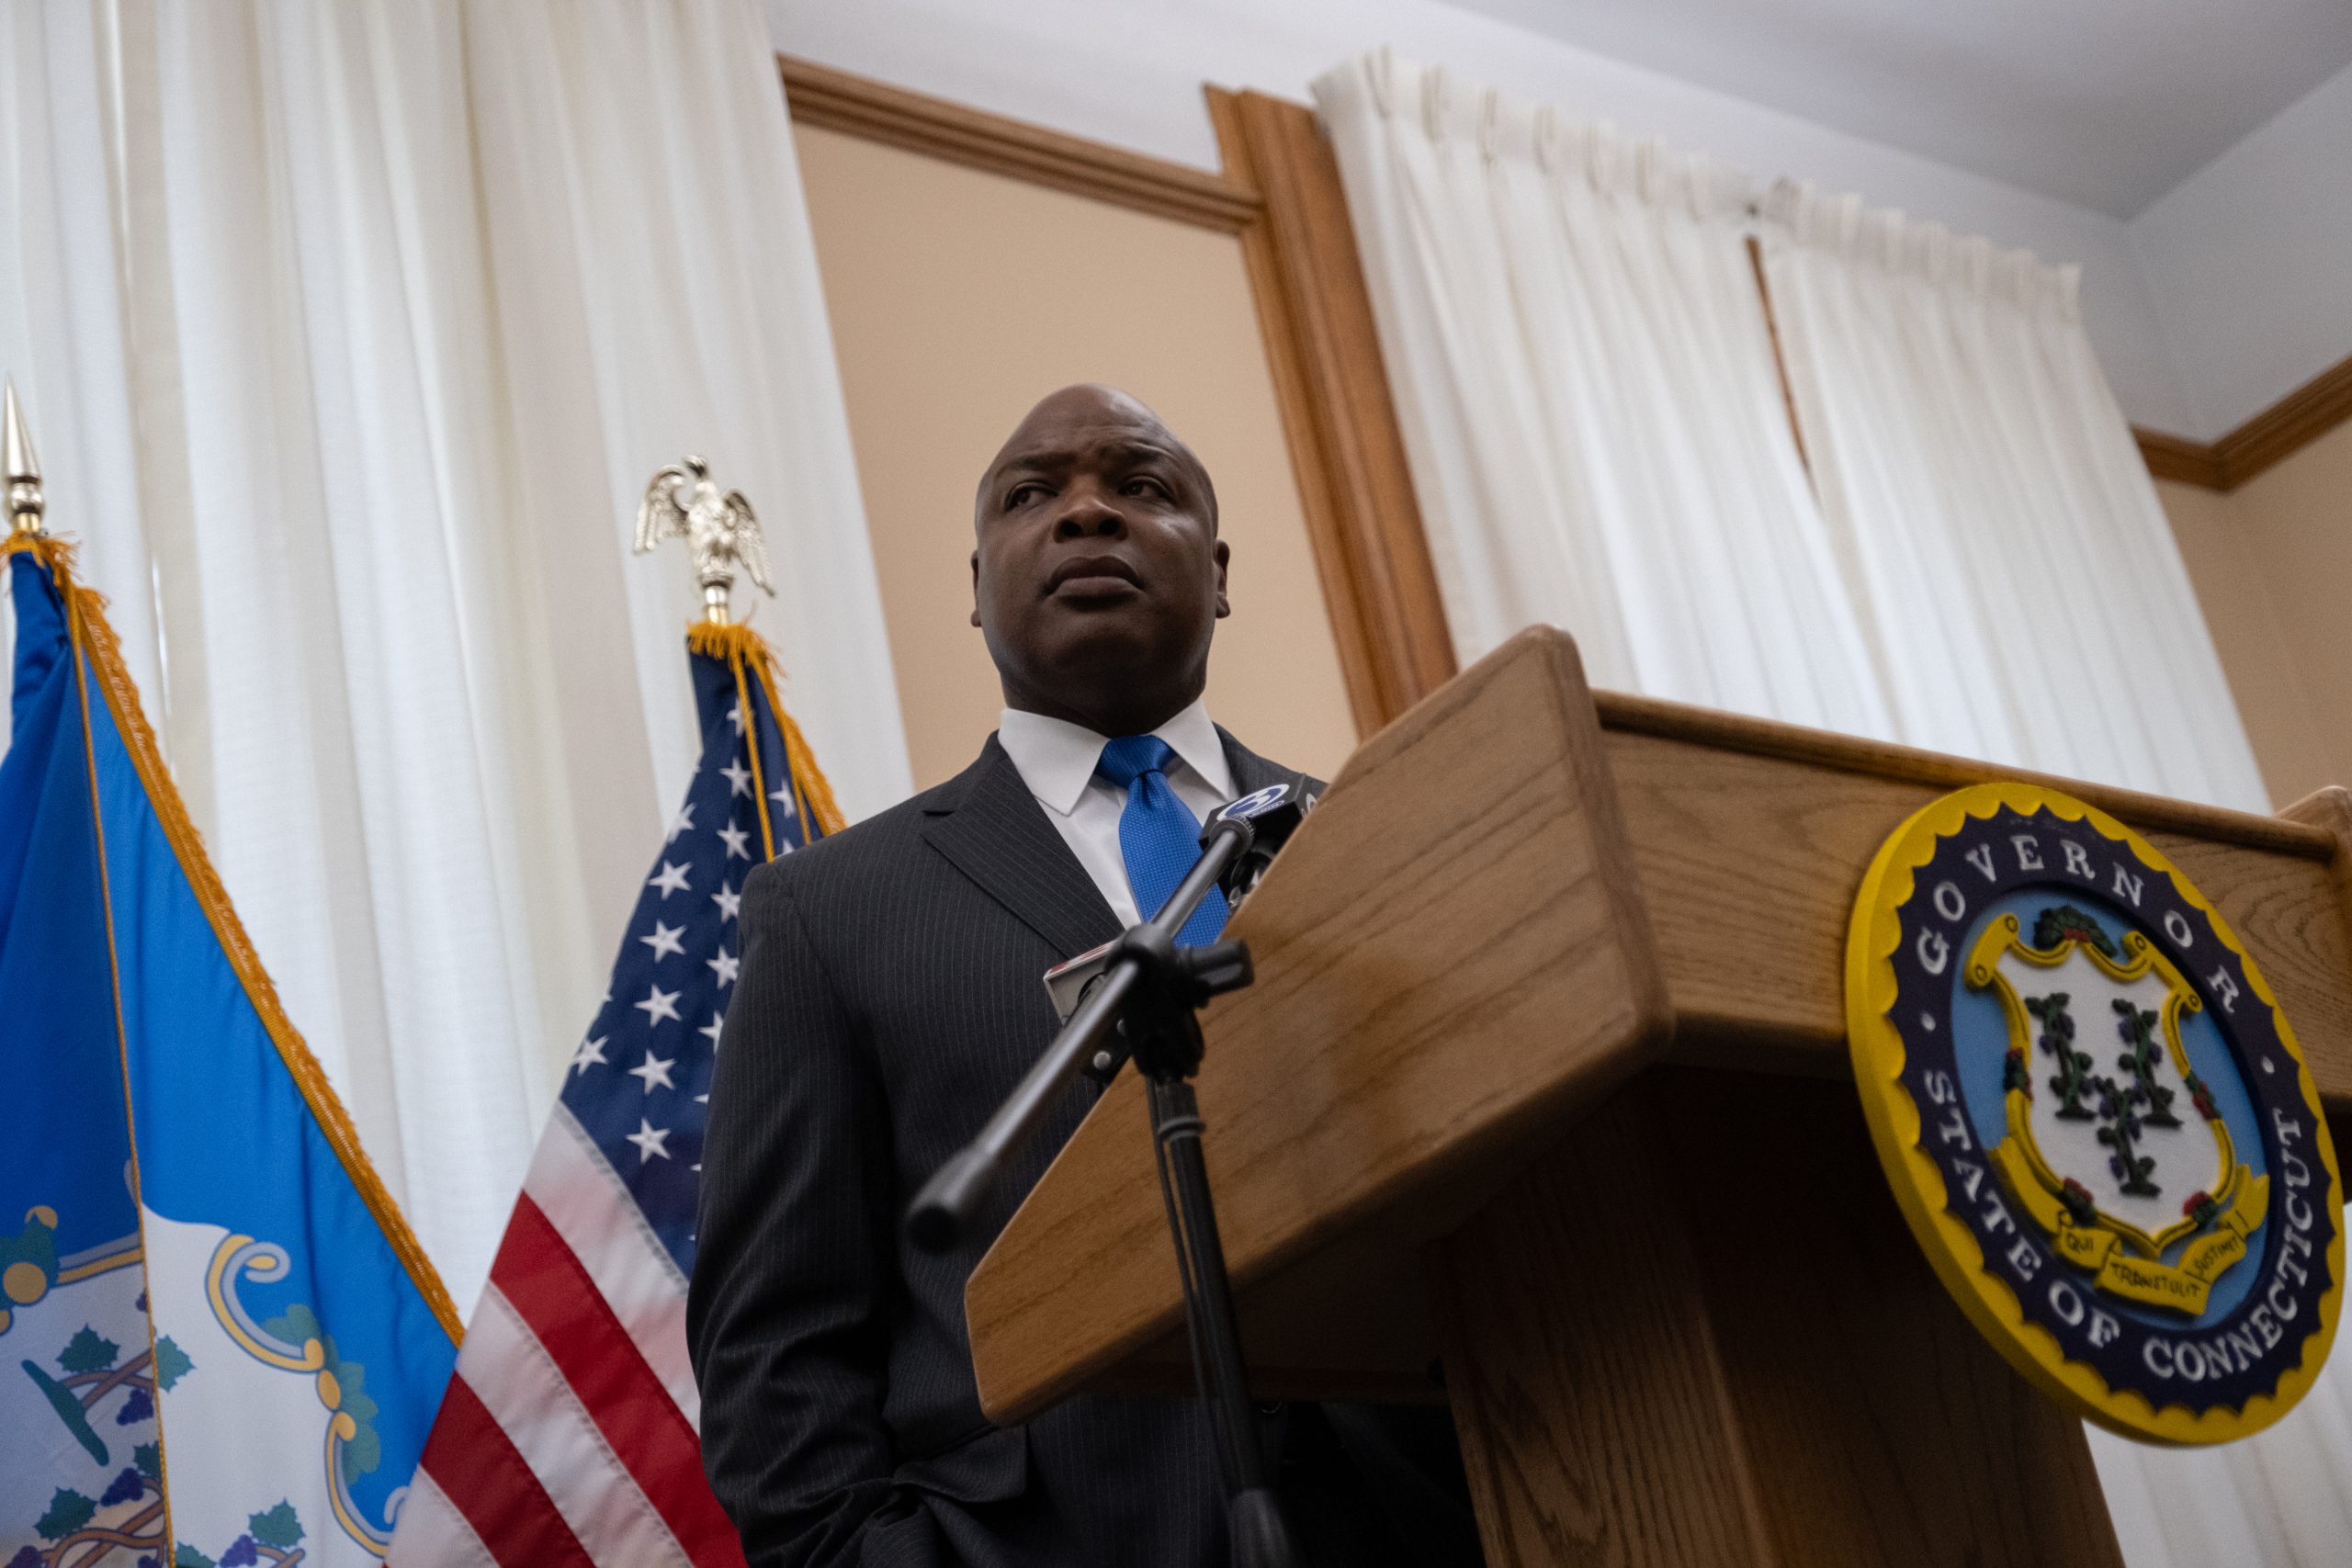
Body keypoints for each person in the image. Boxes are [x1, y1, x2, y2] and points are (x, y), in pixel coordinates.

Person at [690, 384, 1482, 1567]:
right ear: (973, 588)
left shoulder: (1381, 837)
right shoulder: (830, 912)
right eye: (1032, 495)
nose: (1086, 515)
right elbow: (777, 1344)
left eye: (1142, 488)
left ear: (1217, 573)